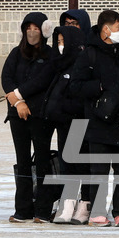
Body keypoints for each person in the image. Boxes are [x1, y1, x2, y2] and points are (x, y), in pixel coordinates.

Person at [70, 9, 119, 227]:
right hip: (99, 122)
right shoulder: (88, 55)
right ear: (106, 28)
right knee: (99, 171)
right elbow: (75, 86)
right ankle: (98, 213)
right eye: (118, 27)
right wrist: (98, 87)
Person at [0, 11, 54, 223]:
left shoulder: (50, 55)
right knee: (22, 161)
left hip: (40, 115)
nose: (32, 32)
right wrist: (18, 103)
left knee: (42, 160)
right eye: (28, 28)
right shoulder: (16, 53)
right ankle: (22, 209)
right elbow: (6, 77)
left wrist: (19, 95)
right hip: (17, 115)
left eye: (36, 28)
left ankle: (43, 209)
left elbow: (42, 80)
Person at [45, 22, 88, 224]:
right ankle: (67, 204)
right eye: (58, 41)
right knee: (67, 164)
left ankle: (84, 206)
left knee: (81, 165)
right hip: (62, 122)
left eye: (64, 41)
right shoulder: (58, 64)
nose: (61, 45)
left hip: (79, 121)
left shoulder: (82, 63)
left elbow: (81, 95)